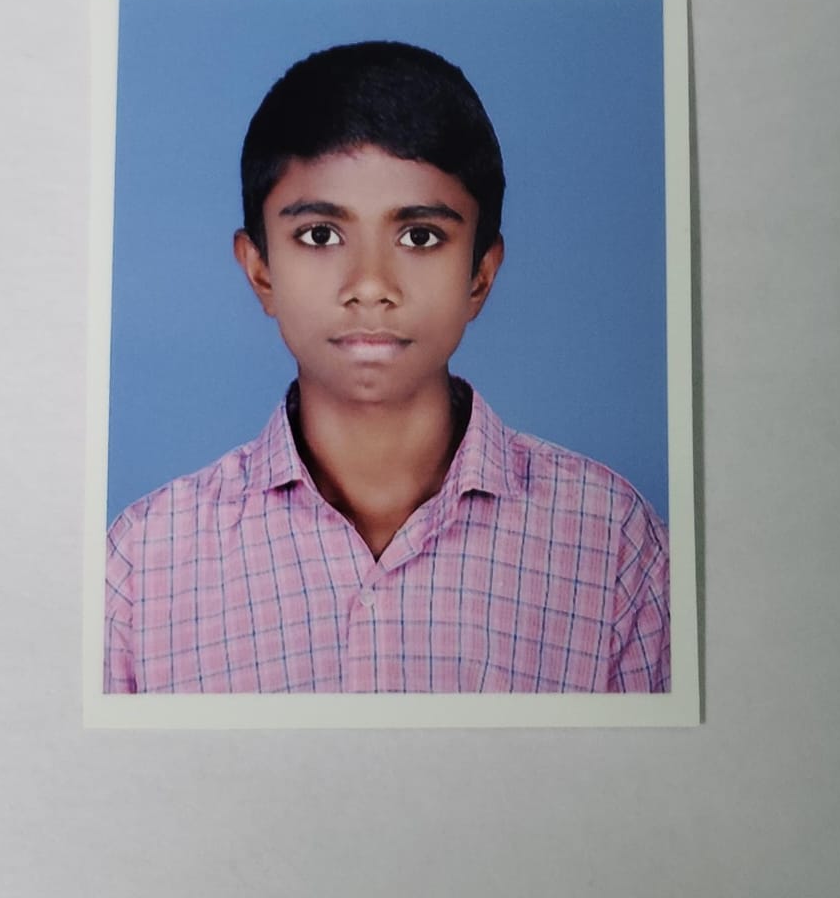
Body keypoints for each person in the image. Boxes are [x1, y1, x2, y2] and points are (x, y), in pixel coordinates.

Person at [105, 41, 669, 694]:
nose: (370, 285)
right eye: (320, 235)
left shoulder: (611, 543)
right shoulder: (146, 563)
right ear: (260, 271)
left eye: (419, 236)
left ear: (480, 275)